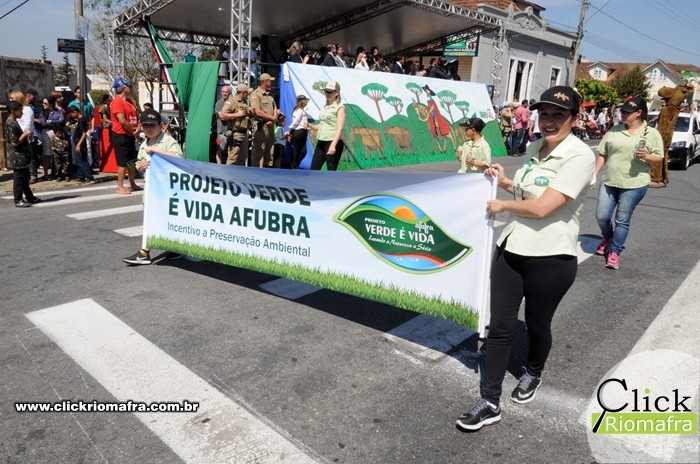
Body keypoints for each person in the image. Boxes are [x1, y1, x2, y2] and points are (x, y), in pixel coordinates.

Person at [456, 86, 596, 432]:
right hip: (511, 249)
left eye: (558, 115)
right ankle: (489, 401)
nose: (549, 121)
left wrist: (502, 205)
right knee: (500, 327)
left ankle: (533, 372)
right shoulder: (535, 147)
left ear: (574, 118)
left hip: (551, 258)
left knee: (537, 325)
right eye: (544, 113)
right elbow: (527, 193)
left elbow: (545, 206)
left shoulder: (579, 156)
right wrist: (504, 182)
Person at [594, 96, 663, 270]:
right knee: (602, 216)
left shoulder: (651, 133)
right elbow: (603, 154)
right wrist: (594, 175)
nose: (622, 114)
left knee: (622, 220)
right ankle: (608, 237)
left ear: (639, 113)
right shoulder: (614, 130)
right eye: (622, 111)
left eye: (627, 112)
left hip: (634, 184)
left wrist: (646, 156)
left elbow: (659, 158)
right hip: (610, 181)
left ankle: (614, 251)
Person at [123, 108, 184, 266]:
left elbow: (179, 158)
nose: (149, 128)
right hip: (151, 189)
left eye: (152, 125)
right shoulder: (144, 144)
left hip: (167, 189)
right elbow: (138, 164)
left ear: (160, 125)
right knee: (150, 218)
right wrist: (140, 166)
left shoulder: (168, 141)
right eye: (145, 125)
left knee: (165, 218)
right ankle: (147, 252)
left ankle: (148, 252)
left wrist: (156, 151)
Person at [5, 101, 40, 207]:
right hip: (17, 156)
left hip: (22, 155)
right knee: (19, 178)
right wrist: (24, 134)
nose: (22, 113)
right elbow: (14, 143)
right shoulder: (11, 123)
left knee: (25, 177)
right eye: (20, 111)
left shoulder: (14, 122)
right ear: (13, 111)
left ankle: (30, 197)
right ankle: (18, 200)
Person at [110, 77, 141, 194]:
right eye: (128, 86)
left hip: (130, 134)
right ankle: (120, 186)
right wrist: (133, 131)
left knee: (132, 161)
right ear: (123, 88)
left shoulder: (129, 101)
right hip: (121, 135)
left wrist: (137, 128)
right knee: (123, 163)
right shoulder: (117, 102)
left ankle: (132, 183)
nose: (130, 88)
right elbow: (122, 120)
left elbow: (133, 117)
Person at [309, 81, 345, 171]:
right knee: (313, 169)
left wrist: (333, 146)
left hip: (332, 141)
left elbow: (340, 128)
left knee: (331, 171)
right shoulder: (325, 107)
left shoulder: (340, 107)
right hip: (321, 141)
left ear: (336, 93)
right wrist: (311, 126)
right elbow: (322, 125)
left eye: (330, 92)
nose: (327, 94)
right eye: (326, 91)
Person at [250, 73, 282, 168]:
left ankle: (267, 171)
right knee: (259, 150)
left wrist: (273, 119)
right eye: (270, 81)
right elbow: (257, 112)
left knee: (270, 150)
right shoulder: (256, 94)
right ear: (265, 82)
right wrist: (271, 118)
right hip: (261, 127)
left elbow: (275, 108)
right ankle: (255, 172)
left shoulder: (270, 94)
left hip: (270, 126)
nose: (271, 82)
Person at [218, 83, 252, 166]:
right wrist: (237, 114)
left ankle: (238, 174)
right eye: (247, 93)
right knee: (233, 158)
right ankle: (228, 174)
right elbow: (223, 115)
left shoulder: (244, 103)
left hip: (244, 133)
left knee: (243, 158)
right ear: (242, 93)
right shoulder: (232, 102)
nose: (248, 95)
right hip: (235, 134)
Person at [67, 106, 96, 183]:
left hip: (80, 142)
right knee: (79, 159)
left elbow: (84, 133)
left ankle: (89, 176)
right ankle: (80, 176)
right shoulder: (79, 120)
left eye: (72, 114)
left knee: (81, 161)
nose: (72, 115)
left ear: (75, 112)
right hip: (78, 141)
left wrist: (78, 144)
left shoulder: (81, 120)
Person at [286, 95, 310, 168]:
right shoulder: (299, 110)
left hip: (303, 131)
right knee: (297, 149)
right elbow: (296, 122)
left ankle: (296, 163)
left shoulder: (302, 110)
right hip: (298, 131)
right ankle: (293, 164)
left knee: (303, 151)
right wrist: (290, 130)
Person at [214, 85, 232, 164]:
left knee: (231, 152)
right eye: (223, 92)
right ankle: (219, 167)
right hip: (220, 132)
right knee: (219, 150)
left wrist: (228, 116)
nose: (224, 94)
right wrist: (233, 116)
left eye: (226, 92)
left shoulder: (232, 103)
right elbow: (222, 117)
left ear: (229, 93)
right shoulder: (218, 104)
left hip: (230, 131)